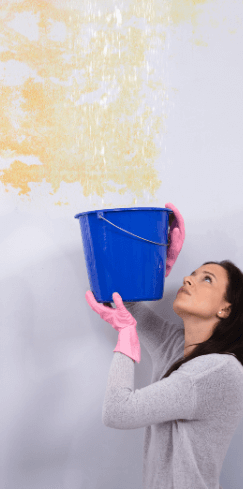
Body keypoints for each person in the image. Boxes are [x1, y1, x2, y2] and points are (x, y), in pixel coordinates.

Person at [86, 204, 243, 489]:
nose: (188, 279)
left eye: (206, 279)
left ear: (225, 309)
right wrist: (153, 261)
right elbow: (126, 304)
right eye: (192, 273)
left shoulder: (219, 370)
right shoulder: (176, 347)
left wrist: (126, 337)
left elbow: (117, 412)